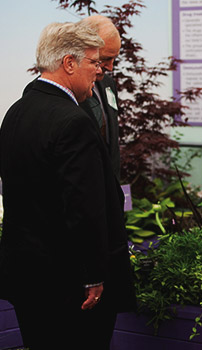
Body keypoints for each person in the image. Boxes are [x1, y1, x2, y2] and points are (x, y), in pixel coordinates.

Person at [0, 21, 136, 350]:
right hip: (69, 284)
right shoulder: (73, 122)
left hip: (26, 274)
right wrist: (93, 275)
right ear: (69, 63)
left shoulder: (15, 113)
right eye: (95, 62)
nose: (100, 72)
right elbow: (84, 207)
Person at [80, 15, 122, 181]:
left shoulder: (108, 84)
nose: (111, 67)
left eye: (114, 59)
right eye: (106, 59)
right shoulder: (67, 90)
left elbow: (112, 144)